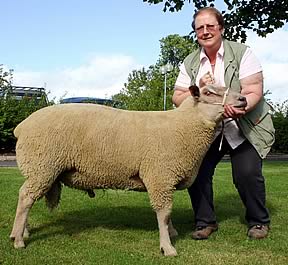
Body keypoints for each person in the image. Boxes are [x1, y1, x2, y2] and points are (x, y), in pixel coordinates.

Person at [172, 7, 275, 240]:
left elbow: (252, 90)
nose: (205, 31)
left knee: (247, 173)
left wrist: (240, 107)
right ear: (195, 32)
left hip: (243, 127)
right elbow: (178, 97)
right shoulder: (190, 63)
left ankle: (258, 221)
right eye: (200, 28)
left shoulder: (243, 53)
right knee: (196, 172)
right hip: (209, 131)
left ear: (221, 28)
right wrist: (197, 90)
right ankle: (205, 222)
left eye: (210, 26)